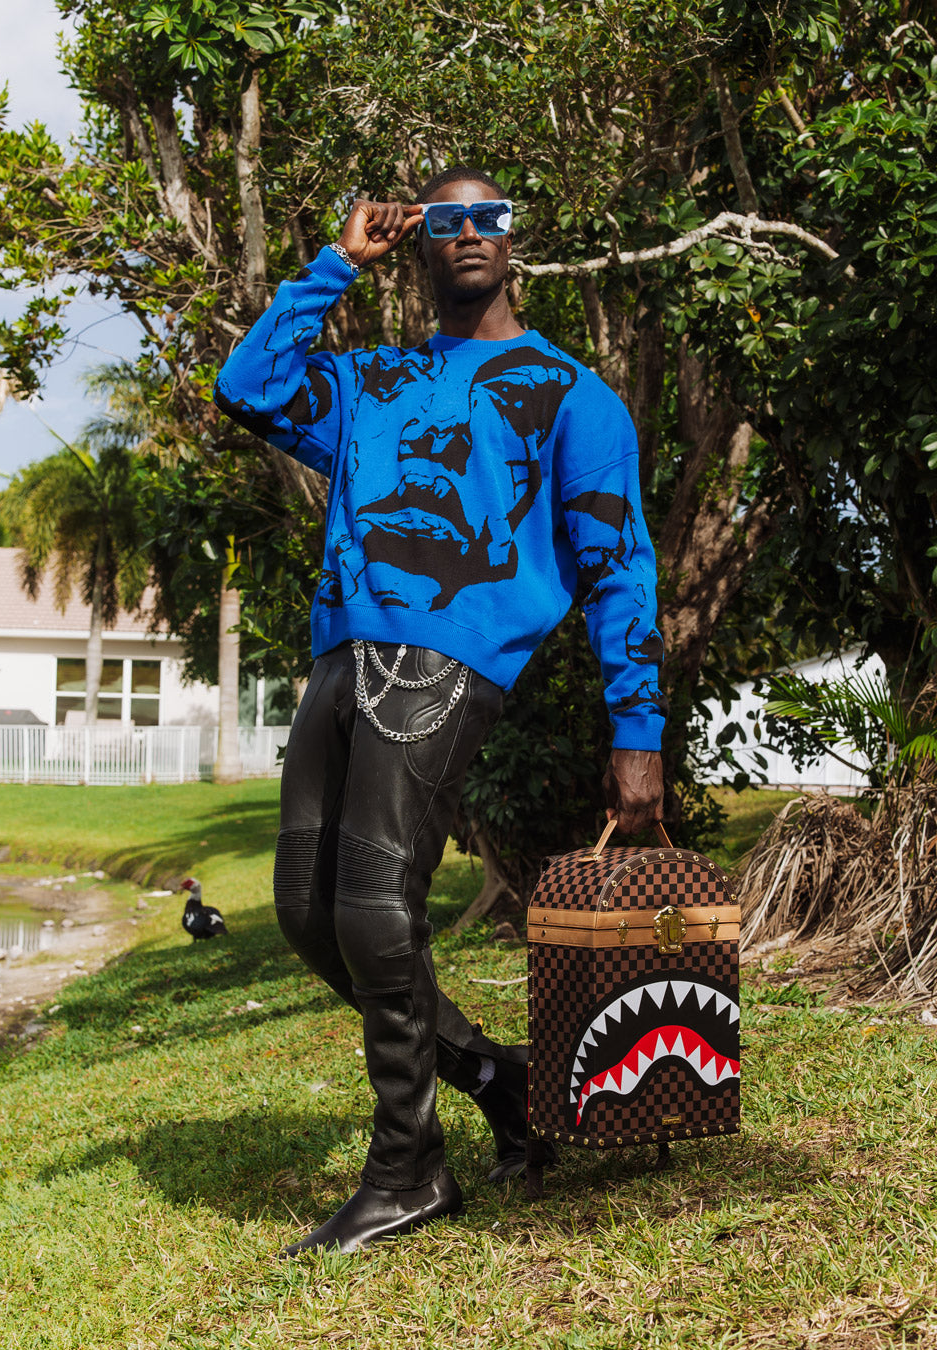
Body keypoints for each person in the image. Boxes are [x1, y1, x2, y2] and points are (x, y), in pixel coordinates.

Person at [214, 167, 666, 1255]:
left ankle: (408, 1169)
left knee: (376, 907)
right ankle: (502, 1081)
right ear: (418, 242)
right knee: (308, 913)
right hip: (341, 652)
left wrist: (638, 732)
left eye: (488, 218)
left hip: (445, 660)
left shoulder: (571, 394)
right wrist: (339, 261)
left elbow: (622, 569)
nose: (468, 232)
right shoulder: (373, 379)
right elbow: (249, 387)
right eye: (446, 219)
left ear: (512, 243)